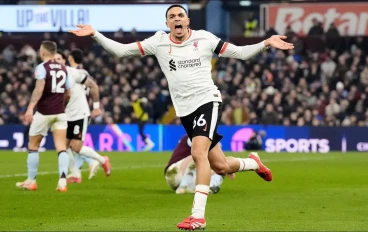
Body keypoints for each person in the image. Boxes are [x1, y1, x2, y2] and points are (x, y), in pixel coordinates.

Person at [69, 4, 294, 230]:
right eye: (172, 17)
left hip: (208, 101)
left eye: (180, 15)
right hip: (185, 112)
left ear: (187, 21)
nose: (177, 19)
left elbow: (240, 53)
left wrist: (265, 43)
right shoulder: (158, 42)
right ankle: (252, 163)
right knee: (221, 166)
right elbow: (121, 50)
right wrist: (95, 34)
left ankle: (198, 216)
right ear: (167, 24)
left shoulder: (204, 39)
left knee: (198, 153)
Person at [16, 41, 71, 192]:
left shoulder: (42, 68)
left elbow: (38, 89)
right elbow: (69, 93)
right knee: (61, 148)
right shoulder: (64, 69)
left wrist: (29, 109)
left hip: (44, 113)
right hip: (60, 113)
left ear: (44, 52)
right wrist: (61, 104)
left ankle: (31, 181)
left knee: (33, 146)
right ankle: (62, 182)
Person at [54, 49, 112, 183]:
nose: (56, 62)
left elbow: (93, 86)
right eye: (54, 60)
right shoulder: (53, 77)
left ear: (65, 60)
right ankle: (75, 174)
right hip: (66, 115)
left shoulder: (75, 73)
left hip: (79, 114)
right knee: (63, 146)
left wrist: (96, 107)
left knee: (76, 147)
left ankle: (102, 160)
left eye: (59, 59)